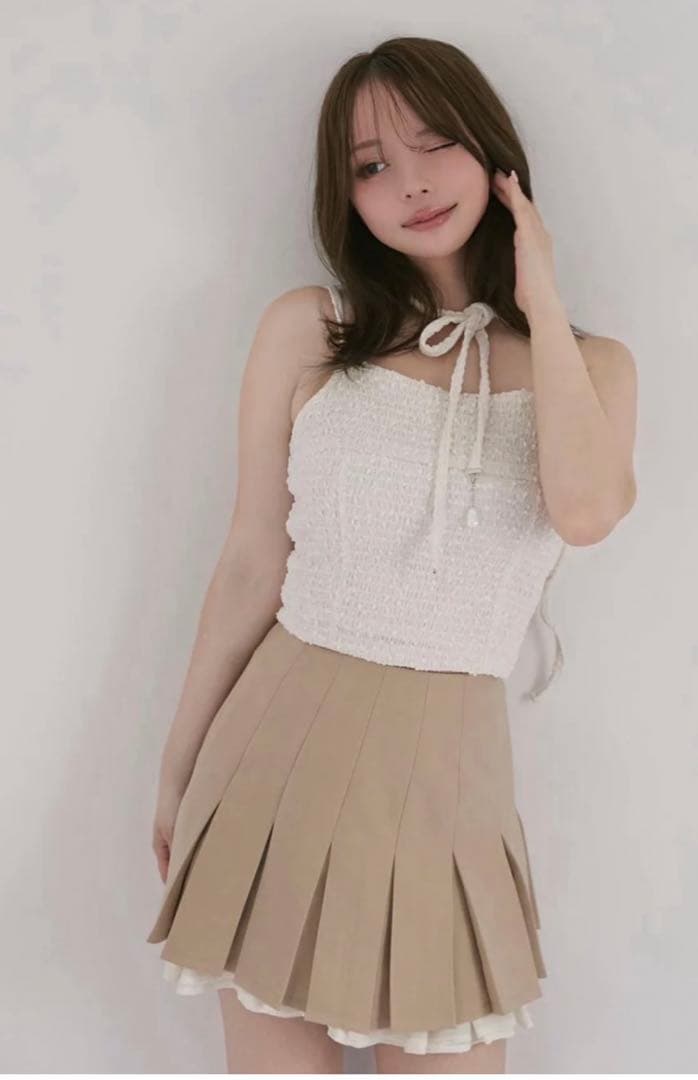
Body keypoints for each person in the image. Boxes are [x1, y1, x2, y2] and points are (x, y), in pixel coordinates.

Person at [145, 35, 638, 1075]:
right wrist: (177, 766)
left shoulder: (591, 366)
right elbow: (251, 559)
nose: (409, 182)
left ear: (493, 154)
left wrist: (540, 297)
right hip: (274, 749)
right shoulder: (310, 330)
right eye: (370, 165)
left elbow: (587, 511)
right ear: (345, 197)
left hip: (450, 776)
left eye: (435, 143)